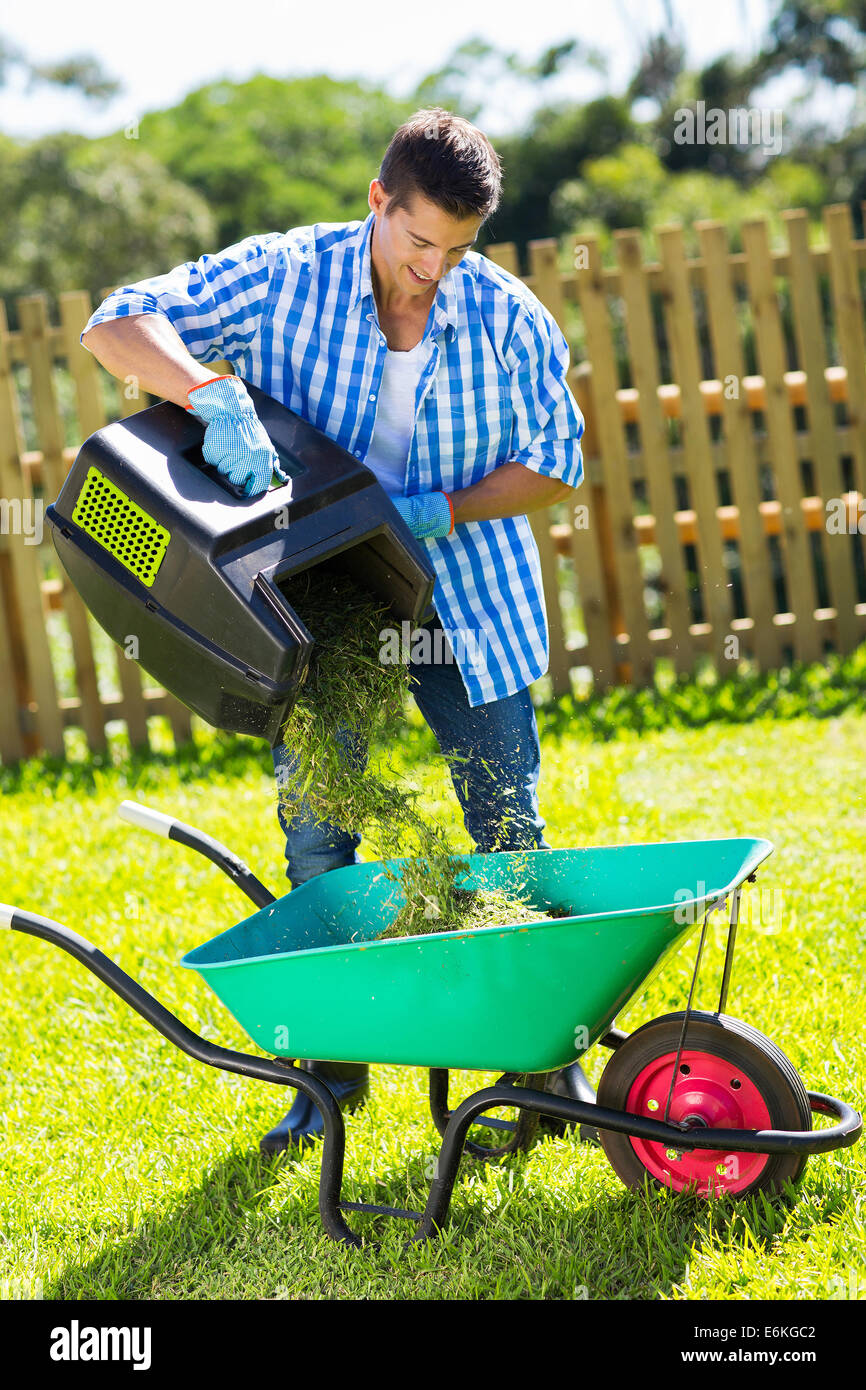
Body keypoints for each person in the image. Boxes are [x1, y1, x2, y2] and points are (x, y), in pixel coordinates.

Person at [80, 106, 594, 1156]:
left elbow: (557, 458)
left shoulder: (503, 316)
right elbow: (114, 322)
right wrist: (207, 391)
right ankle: (327, 1074)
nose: (433, 271)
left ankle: (547, 1066)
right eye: (417, 245)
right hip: (322, 602)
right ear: (377, 201)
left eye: (456, 251)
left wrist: (442, 507)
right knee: (318, 835)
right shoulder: (285, 275)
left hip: (467, 592)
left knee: (504, 821)